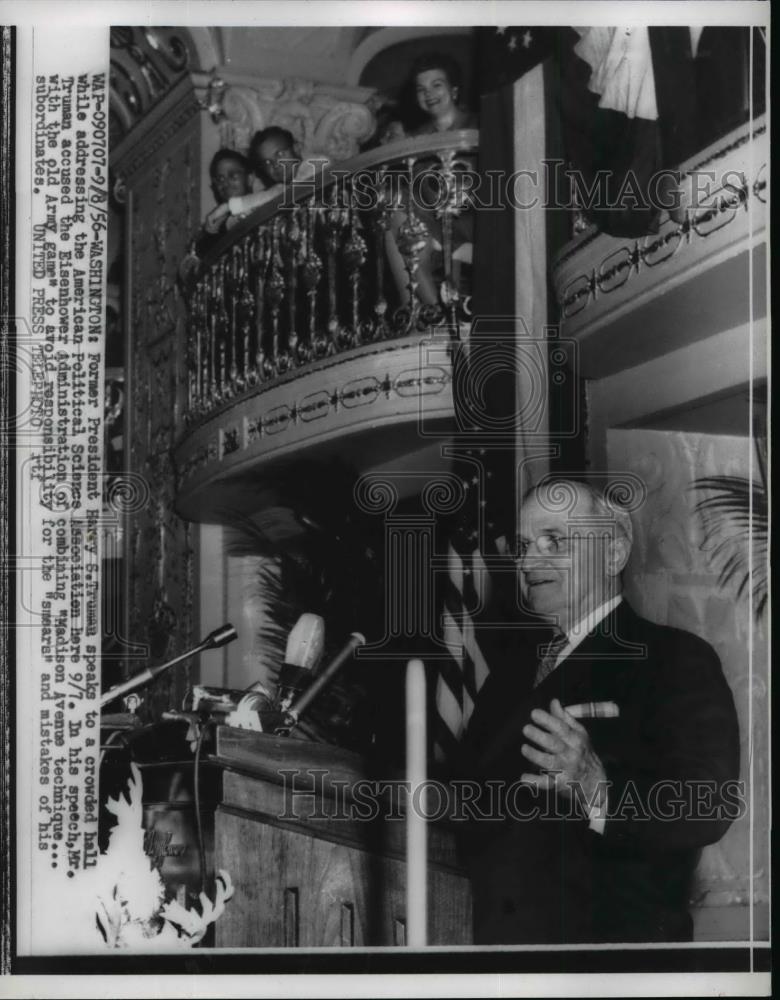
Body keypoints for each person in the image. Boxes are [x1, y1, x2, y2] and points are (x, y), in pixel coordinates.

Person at [457, 477, 741, 944]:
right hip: (499, 957)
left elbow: (707, 804)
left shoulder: (671, 658)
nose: (528, 562)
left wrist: (598, 788)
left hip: (614, 962)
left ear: (613, 551)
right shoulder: (506, 678)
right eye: (524, 545)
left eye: (554, 541)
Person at [384, 52, 478, 308]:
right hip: (434, 219)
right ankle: (436, 310)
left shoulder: (477, 125)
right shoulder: (418, 136)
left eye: (437, 85)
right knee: (399, 213)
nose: (429, 94)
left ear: (454, 90)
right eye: (421, 89)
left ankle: (444, 311)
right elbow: (412, 186)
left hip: (476, 216)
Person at [205, 126, 330, 231]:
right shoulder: (281, 188)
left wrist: (228, 206)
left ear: (296, 148)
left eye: (280, 154)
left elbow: (286, 193)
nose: (275, 164)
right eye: (268, 162)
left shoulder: (317, 164)